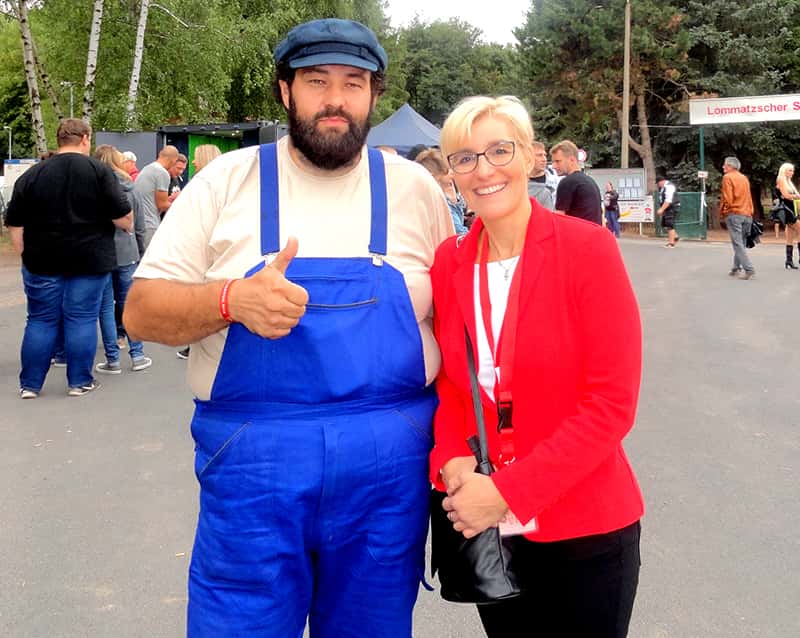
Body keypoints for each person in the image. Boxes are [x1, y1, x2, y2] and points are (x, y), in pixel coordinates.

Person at [123, 18, 453, 637]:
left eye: (353, 83)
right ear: (284, 92)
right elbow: (139, 311)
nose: (336, 98)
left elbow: (459, 327)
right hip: (256, 465)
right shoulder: (225, 182)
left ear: (374, 96)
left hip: (387, 470)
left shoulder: (416, 191)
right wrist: (230, 300)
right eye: (316, 81)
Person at [431, 96, 643, 637]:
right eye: (464, 158)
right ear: (451, 172)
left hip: (585, 528)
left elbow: (611, 406)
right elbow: (456, 387)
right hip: (491, 532)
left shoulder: (587, 249)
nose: (484, 170)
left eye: (499, 150)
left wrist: (508, 491)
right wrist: (452, 461)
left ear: (529, 157)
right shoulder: (449, 262)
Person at [5, 118, 132, 398]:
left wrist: (25, 253)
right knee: (82, 319)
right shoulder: (99, 171)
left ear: (59, 139)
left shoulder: (33, 174)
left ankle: (30, 385)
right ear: (85, 138)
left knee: (39, 320)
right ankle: (79, 382)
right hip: (89, 259)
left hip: (42, 259)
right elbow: (124, 219)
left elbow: (14, 222)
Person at [92, 145, 152, 373]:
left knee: (105, 308)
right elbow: (139, 227)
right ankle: (137, 354)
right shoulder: (130, 187)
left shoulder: (92, 187)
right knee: (128, 304)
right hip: (127, 252)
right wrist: (140, 251)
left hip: (101, 252)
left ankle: (112, 359)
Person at [176, 143, 222, 360]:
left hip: (202, 248)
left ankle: (197, 343)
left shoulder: (201, 185)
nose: (192, 161)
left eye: (196, 157)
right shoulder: (225, 184)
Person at [133, 145, 178, 250]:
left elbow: (152, 198)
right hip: (150, 225)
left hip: (139, 223)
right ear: (173, 160)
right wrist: (181, 203)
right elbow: (161, 205)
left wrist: (169, 199)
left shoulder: (147, 168)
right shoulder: (162, 173)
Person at [415, 148, 467, 234]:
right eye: (446, 169)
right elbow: (458, 232)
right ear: (434, 175)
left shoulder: (454, 188)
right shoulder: (435, 199)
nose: (451, 172)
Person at [550, 139, 602, 224]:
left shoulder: (567, 182)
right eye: (553, 162)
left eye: (558, 161)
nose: (553, 166)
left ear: (572, 160)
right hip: (594, 234)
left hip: (577, 235)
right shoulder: (590, 181)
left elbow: (559, 218)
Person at [720, 156, 755, 279]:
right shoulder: (744, 178)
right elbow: (749, 197)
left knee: (737, 243)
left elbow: (728, 198)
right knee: (742, 242)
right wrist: (750, 211)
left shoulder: (727, 177)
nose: (723, 167)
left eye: (725, 165)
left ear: (730, 166)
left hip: (734, 213)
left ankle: (749, 269)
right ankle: (736, 268)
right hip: (747, 214)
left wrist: (724, 211)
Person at [775, 163, 800, 269]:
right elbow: (786, 196)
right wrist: (796, 196)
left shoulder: (788, 182)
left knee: (790, 236)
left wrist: (795, 196)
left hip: (792, 210)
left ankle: (788, 260)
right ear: (784, 170)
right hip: (787, 211)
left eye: (793, 170)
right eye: (789, 170)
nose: (792, 172)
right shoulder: (781, 179)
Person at [526, 141, 556, 209]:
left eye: (545, 155)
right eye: (539, 155)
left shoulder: (556, 182)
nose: (544, 159)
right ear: (527, 158)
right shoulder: (518, 184)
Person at [656, 174, 680, 247]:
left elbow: (668, 200)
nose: (658, 185)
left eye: (658, 183)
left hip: (671, 207)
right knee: (665, 224)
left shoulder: (669, 186)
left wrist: (661, 209)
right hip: (667, 208)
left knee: (669, 224)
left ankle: (671, 243)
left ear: (661, 182)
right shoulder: (664, 187)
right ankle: (675, 236)